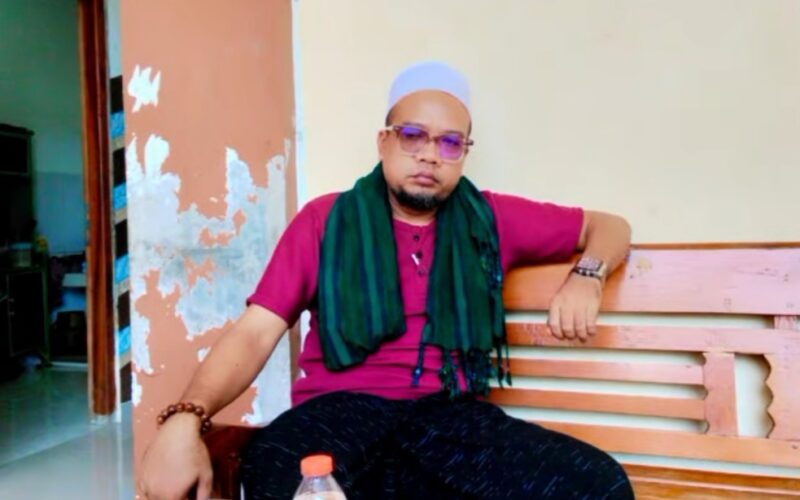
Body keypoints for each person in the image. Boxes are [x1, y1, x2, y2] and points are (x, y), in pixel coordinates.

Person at [139, 61, 634, 500]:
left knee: (597, 484)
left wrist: (587, 276)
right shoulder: (324, 220)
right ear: (384, 142)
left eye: (450, 142)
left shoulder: (492, 220)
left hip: (450, 421)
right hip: (336, 417)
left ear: (463, 154)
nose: (430, 155)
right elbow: (254, 332)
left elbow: (608, 226)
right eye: (413, 135)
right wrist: (186, 418)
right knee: (283, 472)